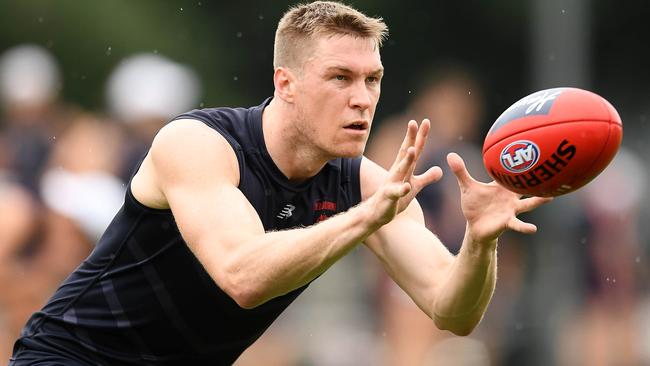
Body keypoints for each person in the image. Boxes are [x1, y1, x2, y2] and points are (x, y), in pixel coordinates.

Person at [9, 2, 551, 365]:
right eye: (340, 77)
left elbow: (451, 311)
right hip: (70, 357)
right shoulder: (198, 143)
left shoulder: (365, 185)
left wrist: (480, 243)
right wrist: (363, 218)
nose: (362, 97)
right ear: (285, 83)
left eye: (373, 80)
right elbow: (242, 276)